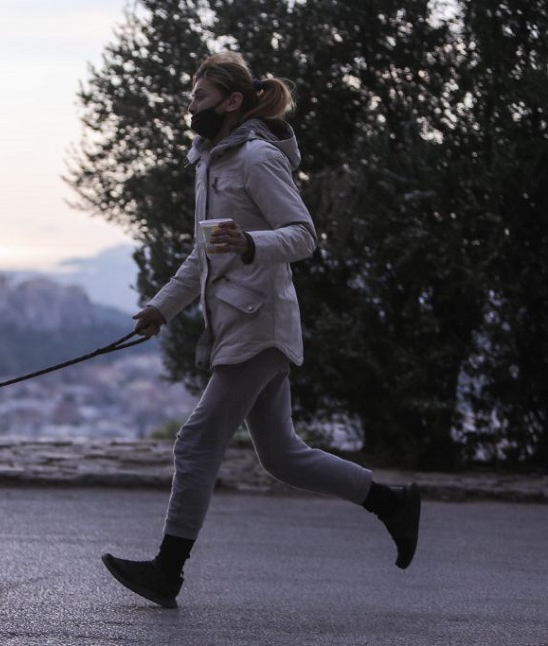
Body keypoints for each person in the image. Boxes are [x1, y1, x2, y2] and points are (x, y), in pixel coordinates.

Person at [101, 51, 421, 609]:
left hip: (260, 323)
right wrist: (160, 308)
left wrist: (252, 243)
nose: (189, 106)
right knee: (282, 456)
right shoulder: (209, 162)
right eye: (190, 97)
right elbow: (203, 256)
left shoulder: (254, 158)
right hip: (235, 323)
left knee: (196, 441)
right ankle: (391, 503)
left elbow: (303, 235)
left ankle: (167, 573)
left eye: (198, 98)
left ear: (230, 102)